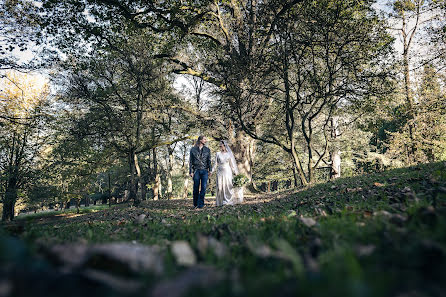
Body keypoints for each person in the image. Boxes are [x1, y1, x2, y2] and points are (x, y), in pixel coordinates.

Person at [211, 140, 239, 206]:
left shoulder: (229, 154)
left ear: (225, 146)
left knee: (228, 186)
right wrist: (211, 171)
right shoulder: (217, 154)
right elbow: (215, 164)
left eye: (221, 146)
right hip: (220, 171)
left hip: (227, 172)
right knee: (220, 187)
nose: (220, 147)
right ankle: (220, 202)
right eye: (220, 146)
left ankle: (228, 201)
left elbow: (232, 165)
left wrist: (235, 172)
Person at [189, 136, 211, 209]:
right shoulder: (193, 149)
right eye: (204, 139)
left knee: (203, 188)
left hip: (205, 171)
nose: (206, 140)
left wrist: (210, 170)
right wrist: (190, 171)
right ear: (200, 140)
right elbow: (190, 161)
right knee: (196, 187)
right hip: (196, 170)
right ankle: (195, 204)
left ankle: (200, 204)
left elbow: (209, 161)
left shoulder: (207, 150)